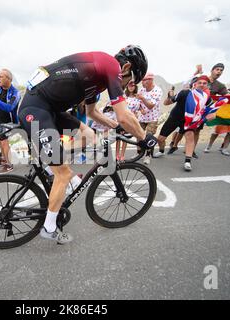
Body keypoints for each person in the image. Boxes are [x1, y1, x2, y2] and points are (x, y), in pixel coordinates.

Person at [18, 45, 154, 244]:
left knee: (90, 135)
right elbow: (125, 115)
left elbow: (92, 113)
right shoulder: (111, 66)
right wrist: (144, 137)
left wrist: (116, 126)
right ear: (125, 67)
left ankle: (57, 166)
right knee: (62, 173)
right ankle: (49, 227)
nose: (126, 85)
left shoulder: (95, 78)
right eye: (130, 80)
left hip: (49, 110)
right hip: (36, 110)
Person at [153, 76, 213, 171]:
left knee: (190, 137)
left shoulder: (207, 98)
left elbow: (212, 113)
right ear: (195, 84)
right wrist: (169, 96)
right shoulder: (184, 93)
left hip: (188, 121)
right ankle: (161, 151)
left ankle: (187, 161)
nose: (202, 84)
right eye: (199, 83)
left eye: (204, 83)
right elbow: (166, 103)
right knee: (161, 139)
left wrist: (208, 117)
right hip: (174, 117)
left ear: (207, 86)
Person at [137, 72, 162, 165]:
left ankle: (148, 155)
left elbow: (151, 106)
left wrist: (143, 98)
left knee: (149, 136)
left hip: (153, 117)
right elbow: (137, 102)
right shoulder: (141, 90)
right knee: (138, 134)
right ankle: (139, 153)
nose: (142, 82)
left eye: (144, 80)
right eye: (142, 80)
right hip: (142, 117)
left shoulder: (157, 90)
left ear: (151, 80)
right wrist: (140, 108)